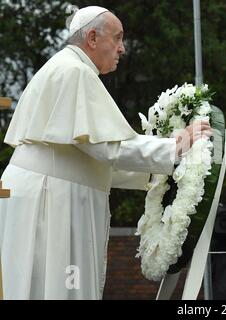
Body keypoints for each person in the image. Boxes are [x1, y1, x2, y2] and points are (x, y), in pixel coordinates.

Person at [0, 6, 211, 300]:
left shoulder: (66, 68)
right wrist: (175, 146)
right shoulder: (74, 71)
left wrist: (157, 170)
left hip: (45, 191)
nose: (122, 48)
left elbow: (89, 159)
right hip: (51, 198)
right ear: (92, 37)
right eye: (118, 38)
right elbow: (106, 148)